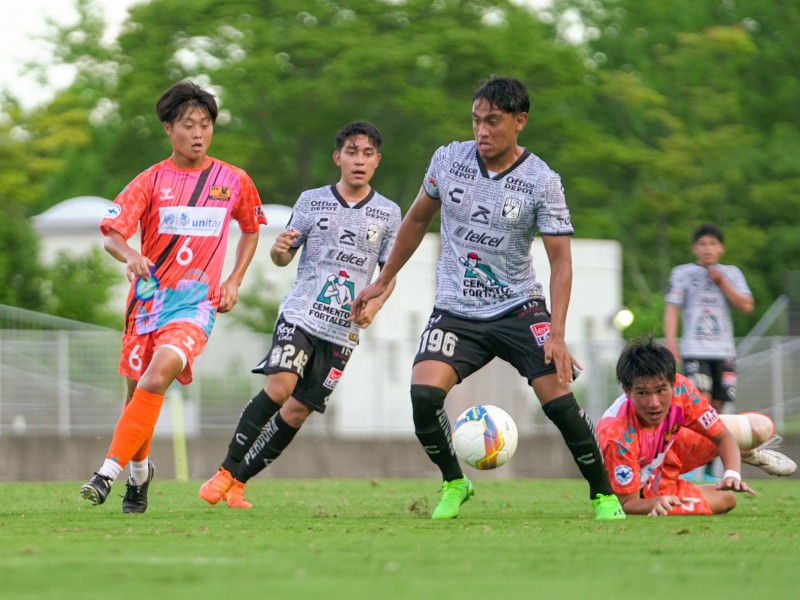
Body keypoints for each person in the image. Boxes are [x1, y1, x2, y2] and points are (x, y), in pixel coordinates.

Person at [352, 75, 625, 521]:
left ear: (520, 122)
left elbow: (561, 262)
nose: (482, 131)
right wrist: (385, 279)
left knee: (559, 403)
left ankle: (603, 495)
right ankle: (455, 483)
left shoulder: (542, 181)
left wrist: (556, 332)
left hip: (519, 307)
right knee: (423, 396)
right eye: (477, 120)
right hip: (457, 311)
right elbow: (418, 220)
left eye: (493, 122)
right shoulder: (448, 160)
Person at [80, 81, 267, 512]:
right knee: (138, 399)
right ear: (168, 128)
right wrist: (130, 254)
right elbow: (112, 233)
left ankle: (106, 473)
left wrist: (235, 279)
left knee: (158, 374)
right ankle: (140, 475)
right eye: (188, 125)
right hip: (146, 304)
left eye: (205, 124)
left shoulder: (233, 180)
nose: (198, 133)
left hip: (195, 306)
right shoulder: (150, 180)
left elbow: (252, 228)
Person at [198, 121, 401, 508]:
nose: (359, 160)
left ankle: (238, 484)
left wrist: (373, 305)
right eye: (352, 152)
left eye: (368, 153)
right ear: (337, 157)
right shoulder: (312, 200)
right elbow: (282, 257)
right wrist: (279, 248)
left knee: (296, 412)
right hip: (302, 314)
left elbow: (387, 274)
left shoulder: (389, 213)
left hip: (342, 330)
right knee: (280, 388)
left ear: (377, 160)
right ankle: (224, 470)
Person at [597, 337, 796, 516]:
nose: (654, 403)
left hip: (672, 445)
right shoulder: (617, 437)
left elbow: (722, 436)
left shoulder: (682, 390)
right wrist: (654, 503)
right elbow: (627, 503)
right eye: (642, 393)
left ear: (673, 384)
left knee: (759, 428)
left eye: (661, 390)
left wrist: (732, 474)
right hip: (649, 483)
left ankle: (743, 453)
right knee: (726, 500)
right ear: (626, 390)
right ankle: (731, 455)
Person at [664, 224, 754, 479]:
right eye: (702, 244)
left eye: (713, 244)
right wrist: (671, 343)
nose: (707, 249)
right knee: (699, 405)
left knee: (717, 409)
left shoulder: (732, 274)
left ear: (721, 248)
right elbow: (672, 308)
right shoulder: (682, 273)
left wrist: (722, 282)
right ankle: (692, 469)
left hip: (723, 350)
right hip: (695, 349)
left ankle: (713, 468)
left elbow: (746, 305)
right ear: (695, 248)